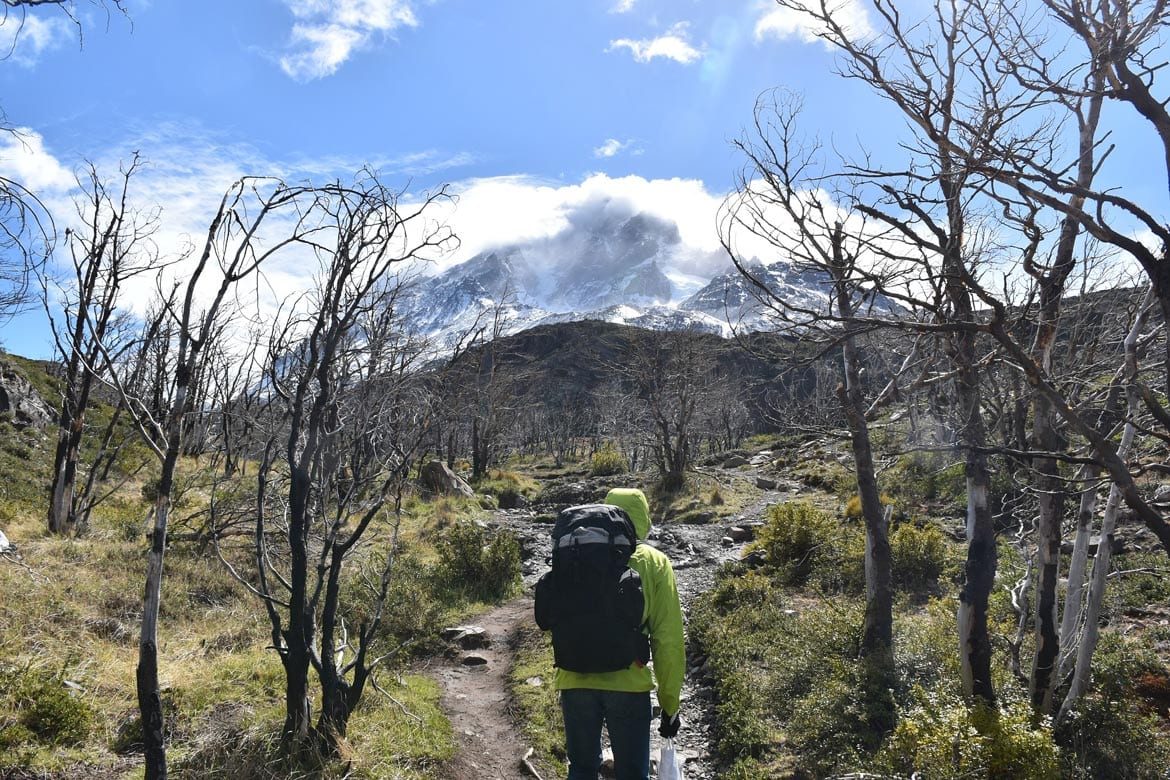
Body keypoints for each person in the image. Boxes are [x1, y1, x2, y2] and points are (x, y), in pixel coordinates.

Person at [554, 487, 685, 780]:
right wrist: (670, 704)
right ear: (644, 517)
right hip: (629, 684)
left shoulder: (573, 551)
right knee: (633, 774)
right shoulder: (654, 562)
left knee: (582, 769)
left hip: (574, 679)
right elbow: (668, 640)